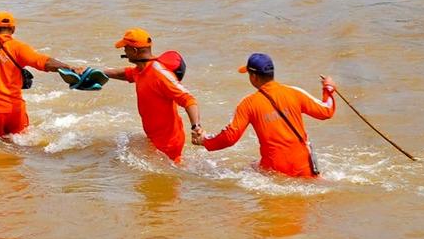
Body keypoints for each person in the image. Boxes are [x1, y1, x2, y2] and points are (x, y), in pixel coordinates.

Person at [192, 53, 336, 178]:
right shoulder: (294, 92)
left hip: (275, 169)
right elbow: (326, 111)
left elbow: (230, 137)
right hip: (304, 165)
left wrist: (205, 140)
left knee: (249, 168)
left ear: (253, 76)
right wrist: (328, 88)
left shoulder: (248, 104)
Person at [103, 28, 201, 163]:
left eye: (126, 48)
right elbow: (124, 74)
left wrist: (196, 126)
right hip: (154, 137)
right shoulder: (141, 70)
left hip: (169, 143)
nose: (124, 51)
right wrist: (97, 73)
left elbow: (188, 99)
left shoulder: (159, 74)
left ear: (135, 51)